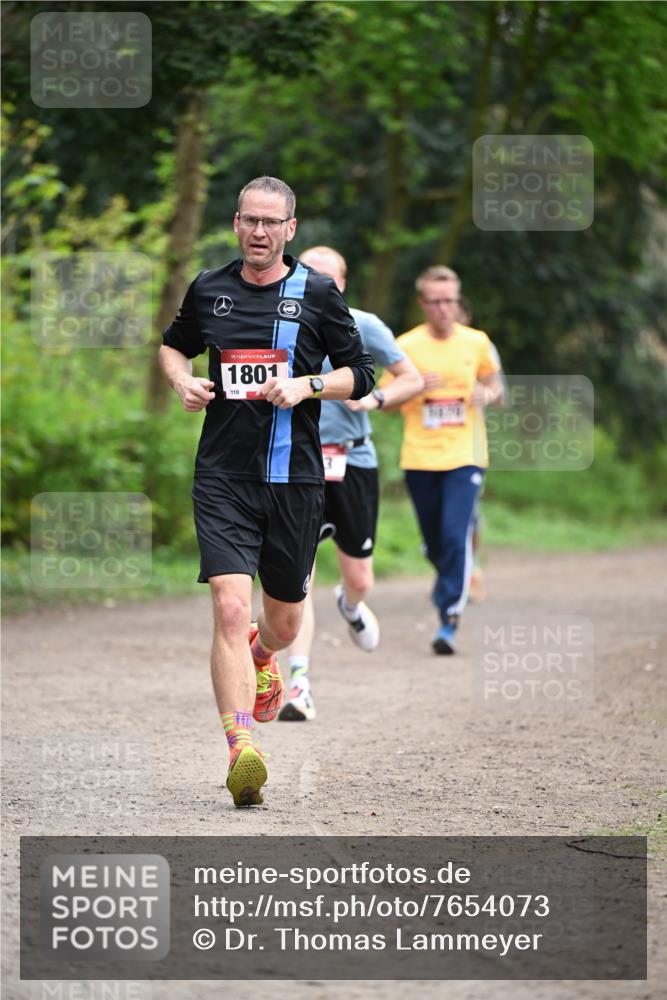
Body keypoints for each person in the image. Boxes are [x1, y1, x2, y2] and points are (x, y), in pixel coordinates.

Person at [159, 177, 374, 807]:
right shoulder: (210, 288)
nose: (258, 232)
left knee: (281, 622)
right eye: (249, 220)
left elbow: (359, 376)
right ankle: (241, 746)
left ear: (290, 229)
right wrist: (183, 383)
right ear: (235, 224)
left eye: (269, 222)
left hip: (296, 480)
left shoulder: (318, 292)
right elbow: (174, 346)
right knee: (228, 606)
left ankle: (263, 655)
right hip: (223, 476)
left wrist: (308, 386)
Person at [279, 246, 424, 721]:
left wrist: (377, 398)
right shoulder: (280, 322)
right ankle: (299, 683)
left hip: (353, 461)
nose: (319, 284)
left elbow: (412, 378)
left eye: (329, 278)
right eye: (310, 275)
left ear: (341, 285)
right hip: (297, 462)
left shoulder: (365, 325)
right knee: (297, 580)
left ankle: (350, 604)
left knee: (359, 576)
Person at [381, 265, 502, 654]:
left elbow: (494, 384)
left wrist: (487, 394)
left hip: (465, 455)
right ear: (422, 304)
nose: (443, 308)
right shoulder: (406, 346)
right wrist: (415, 388)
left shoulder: (476, 341)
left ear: (458, 300)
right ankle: (448, 575)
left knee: (455, 535)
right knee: (434, 542)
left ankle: (449, 617)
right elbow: (384, 403)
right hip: (419, 456)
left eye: (449, 300)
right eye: (435, 302)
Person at [457, 296, 506, 604]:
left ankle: (471, 572)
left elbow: (500, 395)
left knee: (469, 513)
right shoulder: (421, 345)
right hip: (428, 448)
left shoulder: (480, 346)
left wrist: (485, 394)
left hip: (470, 446)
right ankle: (451, 570)